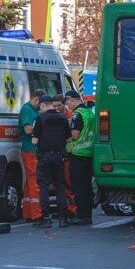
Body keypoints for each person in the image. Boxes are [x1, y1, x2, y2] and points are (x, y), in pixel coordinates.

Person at [32, 94, 74, 227]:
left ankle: (46, 218)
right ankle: (62, 218)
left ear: (45, 105)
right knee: (60, 186)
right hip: (59, 156)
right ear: (52, 104)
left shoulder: (41, 118)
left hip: (44, 157)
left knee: (43, 186)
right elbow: (69, 138)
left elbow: (35, 140)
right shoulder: (62, 118)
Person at [65, 90, 96, 225]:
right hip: (89, 153)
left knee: (78, 187)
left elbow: (75, 136)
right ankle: (87, 215)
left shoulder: (77, 115)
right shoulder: (89, 112)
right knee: (86, 186)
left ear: (72, 99)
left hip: (77, 154)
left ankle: (81, 215)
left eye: (67, 102)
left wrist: (64, 137)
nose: (67, 105)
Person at [19, 89, 47, 224]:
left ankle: (29, 212)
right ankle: (37, 214)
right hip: (31, 149)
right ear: (36, 100)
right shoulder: (27, 109)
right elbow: (28, 129)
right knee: (36, 181)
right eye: (41, 103)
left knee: (30, 182)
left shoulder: (31, 109)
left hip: (31, 149)